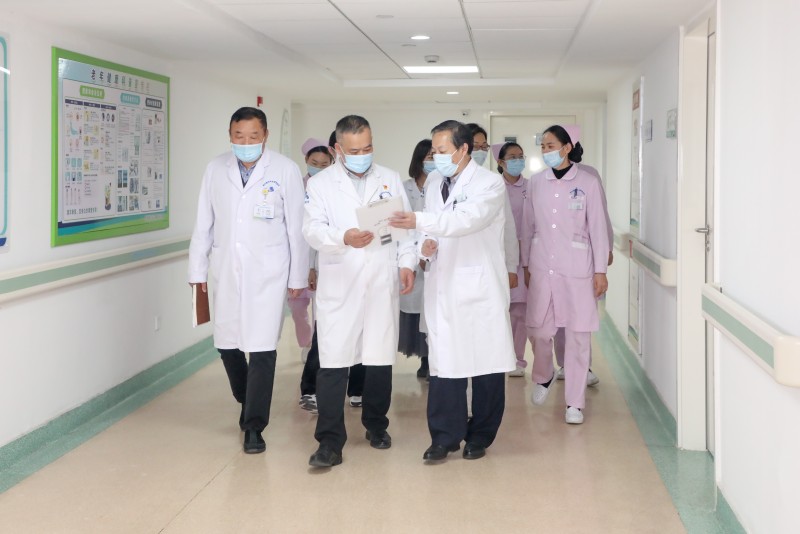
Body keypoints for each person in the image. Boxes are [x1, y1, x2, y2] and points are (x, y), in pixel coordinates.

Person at [390, 120, 516, 462]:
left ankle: (481, 435)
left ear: (463, 149)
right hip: (443, 284)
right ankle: (444, 437)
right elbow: (432, 229)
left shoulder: (489, 184)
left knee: (486, 364)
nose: (436, 158)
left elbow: (466, 221)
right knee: (444, 364)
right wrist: (424, 248)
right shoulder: (434, 182)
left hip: (480, 286)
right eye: (434, 151)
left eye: (442, 151)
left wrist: (418, 221)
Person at [188, 106, 308, 454]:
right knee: (226, 343)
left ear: (265, 135)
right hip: (227, 269)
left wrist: (298, 276)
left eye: (253, 136)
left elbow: (296, 228)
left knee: (262, 348)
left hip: (269, 272)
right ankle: (247, 397)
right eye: (239, 136)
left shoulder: (284, 169)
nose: (246, 142)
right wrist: (197, 272)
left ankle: (254, 426)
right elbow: (203, 223)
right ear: (230, 135)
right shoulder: (215, 168)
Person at [303, 115, 416, 468]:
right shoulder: (321, 184)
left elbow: (405, 228)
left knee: (379, 359)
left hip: (381, 280)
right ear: (338, 149)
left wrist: (407, 264)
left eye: (367, 148)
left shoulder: (389, 178)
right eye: (354, 151)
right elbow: (312, 229)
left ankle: (376, 425)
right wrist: (343, 237)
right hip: (341, 281)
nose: (362, 155)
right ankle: (329, 442)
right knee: (333, 363)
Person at [520, 125, 610, 425]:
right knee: (538, 330)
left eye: (551, 145)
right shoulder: (536, 182)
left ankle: (575, 403)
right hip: (542, 266)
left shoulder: (587, 182)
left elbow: (598, 227)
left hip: (578, 269)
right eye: (543, 146)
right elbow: (527, 225)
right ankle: (543, 375)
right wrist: (526, 264)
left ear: (567, 147)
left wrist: (600, 270)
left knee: (578, 337)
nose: (546, 151)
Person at [553, 126, 614, 386]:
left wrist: (606, 249)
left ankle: (583, 367)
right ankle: (564, 364)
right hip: (556, 260)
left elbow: (601, 216)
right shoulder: (546, 178)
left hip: (583, 259)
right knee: (559, 318)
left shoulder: (589, 176)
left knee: (581, 318)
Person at [296, 139, 333, 415]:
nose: (319, 168)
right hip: (316, 265)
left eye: (324, 164)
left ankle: (333, 389)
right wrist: (309, 267)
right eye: (314, 163)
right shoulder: (299, 187)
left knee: (331, 332)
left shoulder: (334, 187)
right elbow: (308, 236)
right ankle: (310, 388)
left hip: (339, 267)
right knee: (322, 331)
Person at [495, 142, 531, 377]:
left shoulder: (531, 187)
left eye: (520, 156)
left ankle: (517, 359)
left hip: (525, 255)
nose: (517, 161)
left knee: (519, 311)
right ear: (501, 162)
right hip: (499, 255)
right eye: (512, 157)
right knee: (500, 310)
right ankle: (500, 356)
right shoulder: (493, 186)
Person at [399, 139, 434, 379]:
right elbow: (399, 226)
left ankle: (433, 360)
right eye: (430, 157)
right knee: (414, 313)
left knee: (432, 312)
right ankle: (424, 359)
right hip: (410, 257)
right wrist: (413, 256)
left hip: (434, 255)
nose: (434, 161)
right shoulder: (404, 188)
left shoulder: (443, 186)